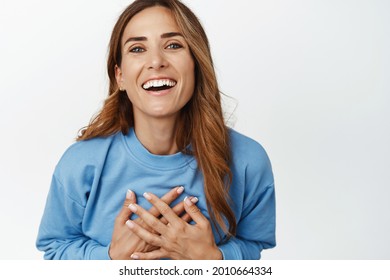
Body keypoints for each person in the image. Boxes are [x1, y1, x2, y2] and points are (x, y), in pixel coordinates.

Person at [36, 0, 276, 260]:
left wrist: (213, 260)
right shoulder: (80, 163)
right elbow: (54, 249)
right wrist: (111, 259)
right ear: (120, 76)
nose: (156, 61)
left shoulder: (248, 160)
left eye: (173, 45)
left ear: (196, 63)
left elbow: (255, 248)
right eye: (137, 48)